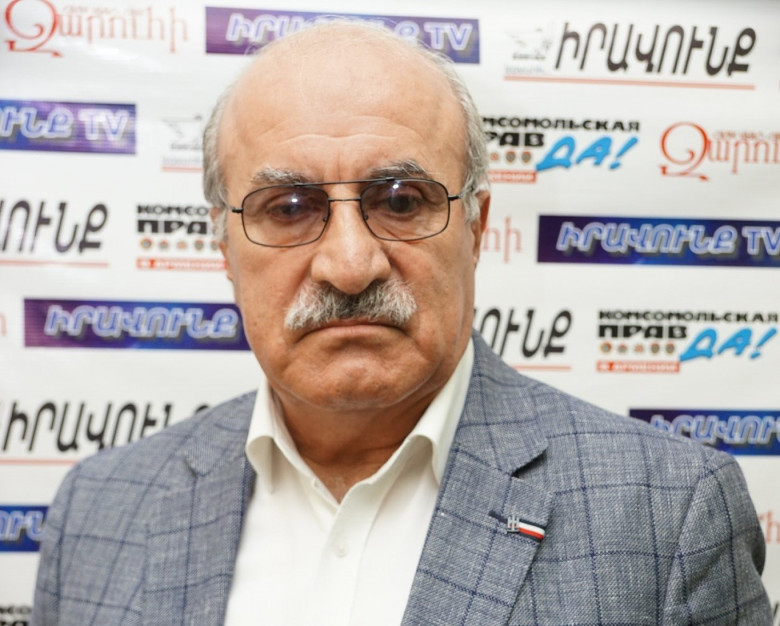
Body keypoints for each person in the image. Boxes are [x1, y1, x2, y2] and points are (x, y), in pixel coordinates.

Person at [32, 20, 771, 626]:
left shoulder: (667, 514)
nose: (350, 266)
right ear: (224, 248)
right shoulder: (99, 512)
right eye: (288, 209)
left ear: (476, 229)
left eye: (401, 202)